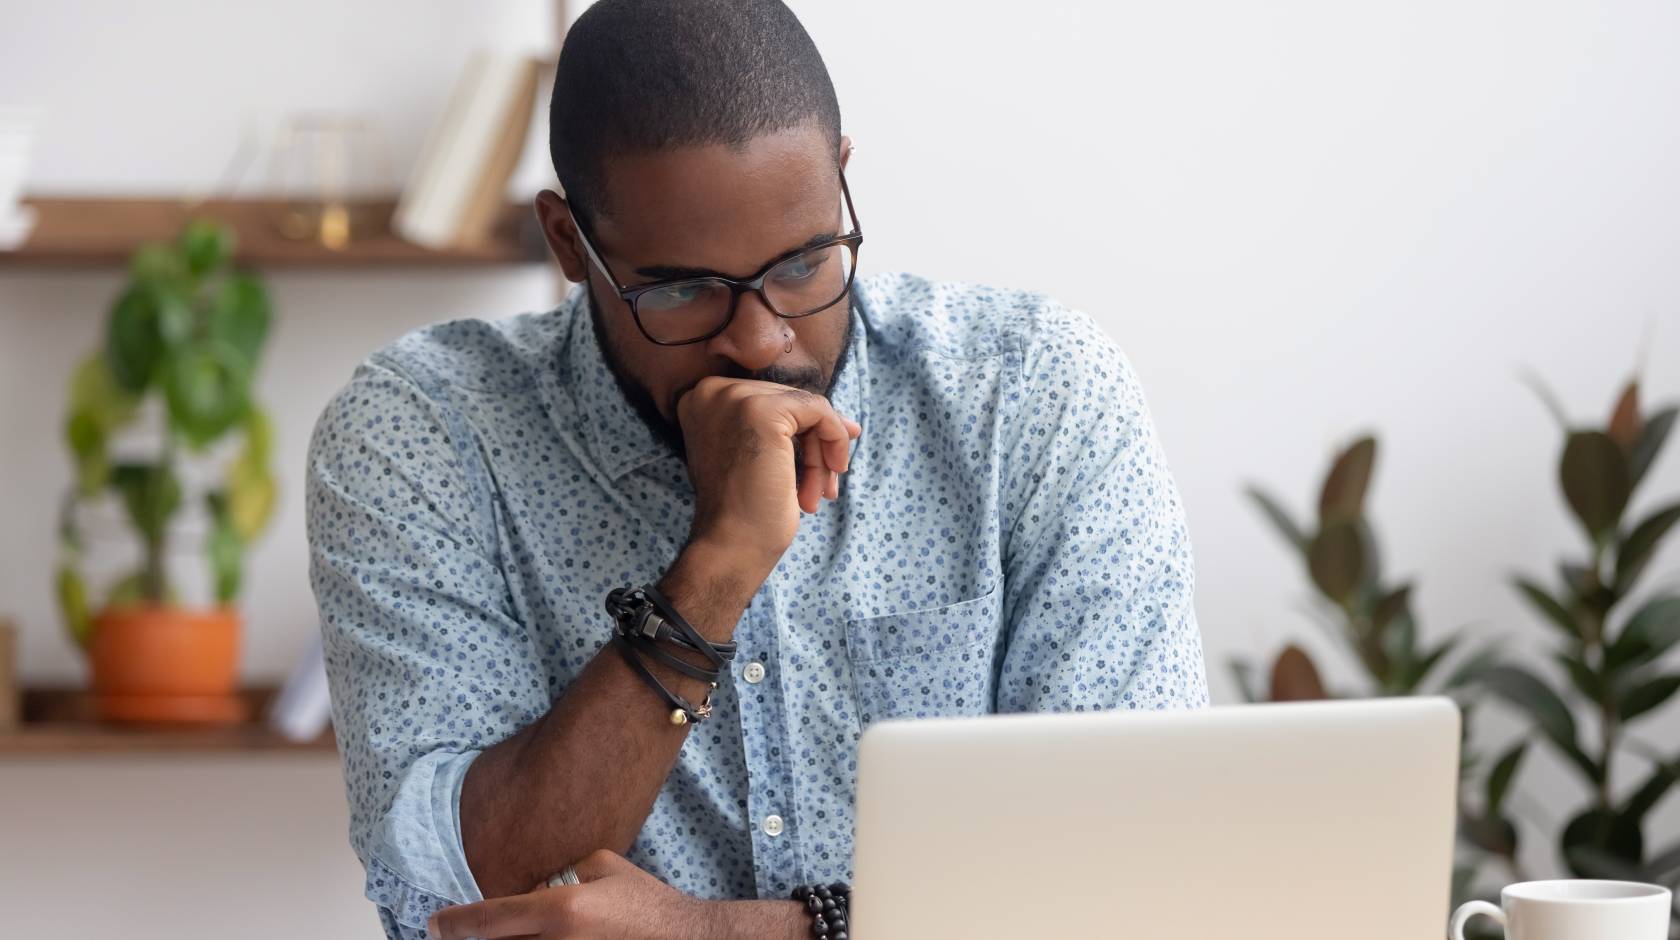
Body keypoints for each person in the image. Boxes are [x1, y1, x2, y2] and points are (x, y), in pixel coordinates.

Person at [305, 1, 1207, 937]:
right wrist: (718, 565)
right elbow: (465, 906)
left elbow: (1135, 874)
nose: (763, 338)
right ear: (571, 245)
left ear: (843, 183)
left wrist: (723, 934)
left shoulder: (1030, 398)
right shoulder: (425, 432)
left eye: (806, 262)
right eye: (684, 289)